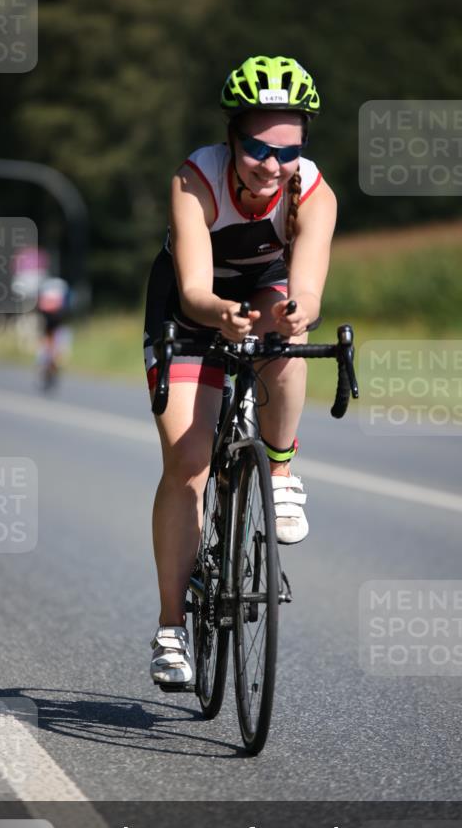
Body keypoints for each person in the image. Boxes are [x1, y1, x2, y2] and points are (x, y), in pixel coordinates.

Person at [143, 55, 337, 686]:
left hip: (260, 291)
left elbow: (306, 288)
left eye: (287, 150)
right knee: (190, 463)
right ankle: (172, 627)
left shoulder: (312, 191)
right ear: (232, 138)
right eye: (256, 147)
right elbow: (197, 288)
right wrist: (221, 316)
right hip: (189, 306)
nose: (271, 165)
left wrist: (294, 311)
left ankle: (278, 470)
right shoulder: (195, 179)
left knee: (287, 328)